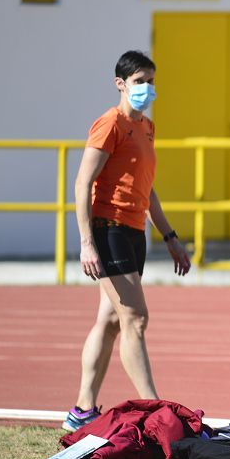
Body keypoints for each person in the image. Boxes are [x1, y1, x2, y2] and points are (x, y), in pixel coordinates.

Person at [64, 50, 191, 432]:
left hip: (135, 231)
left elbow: (147, 189)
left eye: (151, 81)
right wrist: (87, 243)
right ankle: (155, 408)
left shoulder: (148, 127)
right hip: (109, 229)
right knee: (134, 318)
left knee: (109, 320)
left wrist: (169, 236)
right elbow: (82, 183)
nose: (147, 88)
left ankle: (82, 409)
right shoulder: (110, 124)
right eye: (139, 82)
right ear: (121, 85)